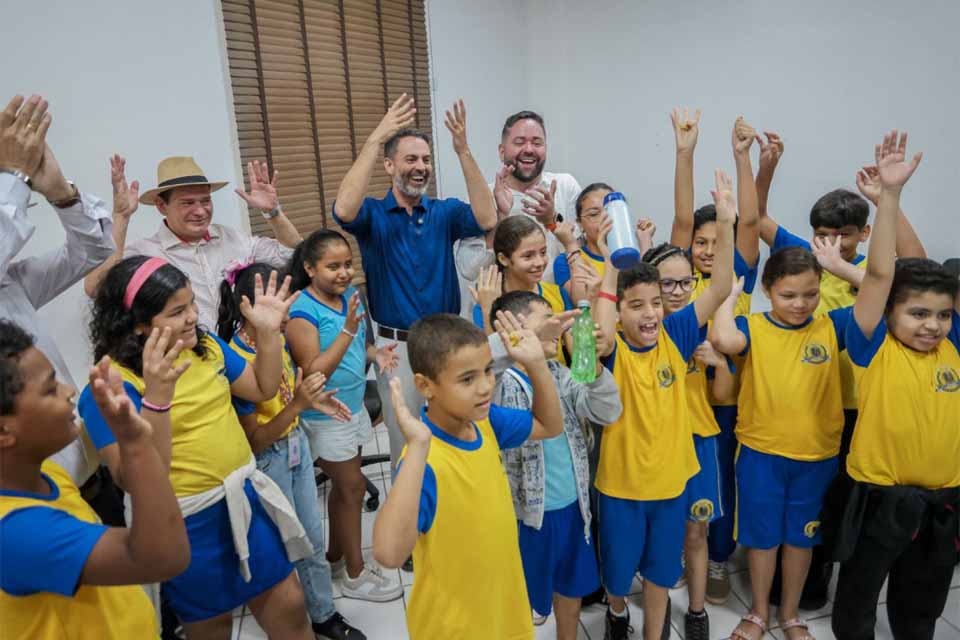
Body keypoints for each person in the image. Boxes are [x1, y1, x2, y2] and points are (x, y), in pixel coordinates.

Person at [78, 257, 316, 639]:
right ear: (137, 324)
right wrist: (158, 398)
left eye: (191, 304)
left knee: (290, 607)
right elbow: (140, 481)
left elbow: (263, 387)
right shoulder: (108, 388)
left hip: (244, 502)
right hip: (184, 525)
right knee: (211, 628)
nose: (193, 316)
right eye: (177, 311)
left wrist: (268, 333)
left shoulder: (205, 346)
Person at [755, 128, 927, 609]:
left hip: (861, 409)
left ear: (864, 234)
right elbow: (758, 218)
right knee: (804, 500)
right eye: (823, 235)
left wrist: (888, 196)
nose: (831, 243)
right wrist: (767, 166)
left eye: (843, 235)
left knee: (842, 505)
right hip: (809, 404)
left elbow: (912, 268)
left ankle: (824, 584)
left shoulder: (873, 269)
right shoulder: (805, 261)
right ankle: (789, 586)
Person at [826, 132, 957, 639]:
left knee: (921, 605)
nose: (932, 325)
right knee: (858, 602)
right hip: (878, 499)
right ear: (889, 313)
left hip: (943, 500)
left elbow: (921, 265)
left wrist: (892, 201)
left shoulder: (953, 346)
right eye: (918, 313)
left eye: (942, 315)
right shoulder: (874, 343)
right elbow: (882, 275)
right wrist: (890, 199)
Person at [593, 170, 735, 640]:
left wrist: (727, 223)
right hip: (621, 489)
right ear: (619, 312)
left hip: (671, 487)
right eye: (637, 305)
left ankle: (654, 633)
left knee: (659, 574)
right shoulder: (610, 349)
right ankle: (617, 614)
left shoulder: (675, 334)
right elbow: (594, 341)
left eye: (655, 302)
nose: (651, 312)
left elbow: (719, 287)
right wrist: (611, 264)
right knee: (618, 577)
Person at [372, 312, 564, 639]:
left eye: (488, 370)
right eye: (467, 380)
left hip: (505, 611)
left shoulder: (485, 423)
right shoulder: (424, 462)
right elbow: (389, 553)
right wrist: (416, 447)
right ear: (425, 386)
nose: (486, 387)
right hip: (455, 628)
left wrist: (536, 364)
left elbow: (550, 425)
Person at [332, 95, 497, 468]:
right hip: (397, 350)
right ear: (389, 164)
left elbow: (487, 218)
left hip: (447, 342)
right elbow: (343, 209)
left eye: (425, 160)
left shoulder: (444, 212)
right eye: (410, 159)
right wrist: (376, 138)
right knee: (405, 445)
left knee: (456, 432)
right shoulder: (373, 215)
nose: (420, 167)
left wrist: (463, 150)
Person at [0, 320, 189, 639]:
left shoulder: (46, 474)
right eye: (50, 389)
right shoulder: (15, 532)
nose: (69, 391)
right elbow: (164, 557)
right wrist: (134, 442)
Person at [709, 244, 856, 640]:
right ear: (768, 289)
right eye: (788, 295)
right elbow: (723, 339)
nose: (800, 304)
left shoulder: (831, 326)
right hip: (761, 455)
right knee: (762, 540)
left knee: (801, 539)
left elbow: (883, 297)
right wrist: (730, 296)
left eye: (810, 293)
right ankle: (759, 611)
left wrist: (839, 267)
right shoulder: (753, 327)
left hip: (817, 457)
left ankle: (790, 613)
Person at [216, 261, 368, 639]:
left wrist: (310, 401)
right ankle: (294, 620)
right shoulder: (237, 363)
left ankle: (323, 614)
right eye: (283, 308)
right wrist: (298, 406)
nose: (290, 317)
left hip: (295, 443)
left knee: (312, 538)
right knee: (287, 546)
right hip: (270, 461)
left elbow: (290, 391)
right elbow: (256, 440)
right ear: (251, 309)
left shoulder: (277, 339)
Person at [667, 109, 762, 603]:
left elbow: (749, 222)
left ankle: (718, 557)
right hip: (677, 401)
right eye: (699, 243)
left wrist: (741, 158)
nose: (705, 249)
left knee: (719, 483)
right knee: (673, 483)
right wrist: (685, 154)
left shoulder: (736, 273)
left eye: (713, 241)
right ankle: (683, 554)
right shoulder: (677, 278)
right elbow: (683, 219)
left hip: (723, 403)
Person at [492, 290, 621, 640]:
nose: (558, 326)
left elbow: (608, 411)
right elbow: (479, 365)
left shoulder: (560, 374)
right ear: (516, 327)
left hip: (573, 509)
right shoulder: (500, 382)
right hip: (526, 519)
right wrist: (522, 341)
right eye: (547, 319)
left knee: (571, 590)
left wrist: (595, 370)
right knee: (521, 597)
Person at [0, 94, 115, 485]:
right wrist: (15, 176)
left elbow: (93, 251)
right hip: (29, 500)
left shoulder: (11, 284)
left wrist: (62, 196)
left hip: (86, 472)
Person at [284, 230, 404, 602]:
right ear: (310, 268)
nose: (344, 272)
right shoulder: (302, 311)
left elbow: (359, 347)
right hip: (324, 414)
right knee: (352, 487)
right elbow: (313, 370)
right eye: (332, 266)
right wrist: (349, 330)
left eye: (348, 264)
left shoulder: (349, 296)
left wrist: (375, 354)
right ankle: (354, 574)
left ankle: (335, 559)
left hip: (352, 406)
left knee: (344, 489)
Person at [641, 243, 738, 640]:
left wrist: (719, 364)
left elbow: (723, 395)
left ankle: (697, 611)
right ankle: (658, 606)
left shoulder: (707, 330)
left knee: (696, 532)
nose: (679, 291)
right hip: (654, 445)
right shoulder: (638, 333)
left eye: (687, 282)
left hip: (698, 441)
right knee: (658, 536)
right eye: (668, 284)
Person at [83, 156, 302, 329]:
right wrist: (121, 217)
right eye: (187, 203)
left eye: (205, 201)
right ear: (161, 205)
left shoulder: (232, 237)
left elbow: (293, 255)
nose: (200, 211)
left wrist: (272, 212)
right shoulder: (146, 253)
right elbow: (97, 288)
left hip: (242, 358)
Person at [455, 110, 583, 291]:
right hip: (505, 305)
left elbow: (584, 255)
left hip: (560, 302)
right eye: (519, 142)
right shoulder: (482, 196)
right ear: (502, 152)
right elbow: (470, 270)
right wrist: (500, 217)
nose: (529, 149)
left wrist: (551, 221)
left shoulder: (565, 186)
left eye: (537, 143)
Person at [469, 216, 575, 343]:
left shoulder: (558, 294)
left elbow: (575, 347)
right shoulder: (486, 305)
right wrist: (488, 309)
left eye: (543, 252)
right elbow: (491, 353)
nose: (540, 262)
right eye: (528, 256)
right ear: (503, 259)